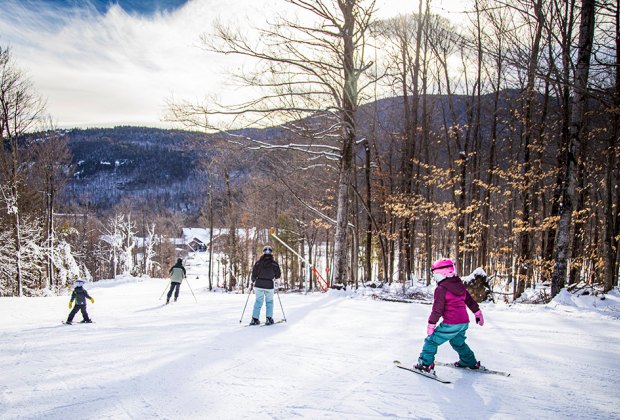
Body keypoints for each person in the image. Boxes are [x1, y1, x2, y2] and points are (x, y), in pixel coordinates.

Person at [414, 258, 484, 373]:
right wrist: (477, 312)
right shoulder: (459, 285)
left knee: (431, 341)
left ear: (443, 274)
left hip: (452, 323)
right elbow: (469, 300)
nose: (434, 278)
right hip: (464, 322)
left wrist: (431, 324)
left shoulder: (441, 289)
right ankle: (469, 361)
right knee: (458, 342)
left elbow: (437, 309)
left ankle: (425, 364)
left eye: (435, 275)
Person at [249, 245, 281, 325]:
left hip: (258, 284)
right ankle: (269, 318)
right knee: (269, 302)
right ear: (271, 252)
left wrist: (253, 281)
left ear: (263, 252)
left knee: (258, 301)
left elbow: (253, 274)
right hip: (269, 285)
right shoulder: (274, 264)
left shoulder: (258, 263)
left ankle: (255, 319)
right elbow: (278, 275)